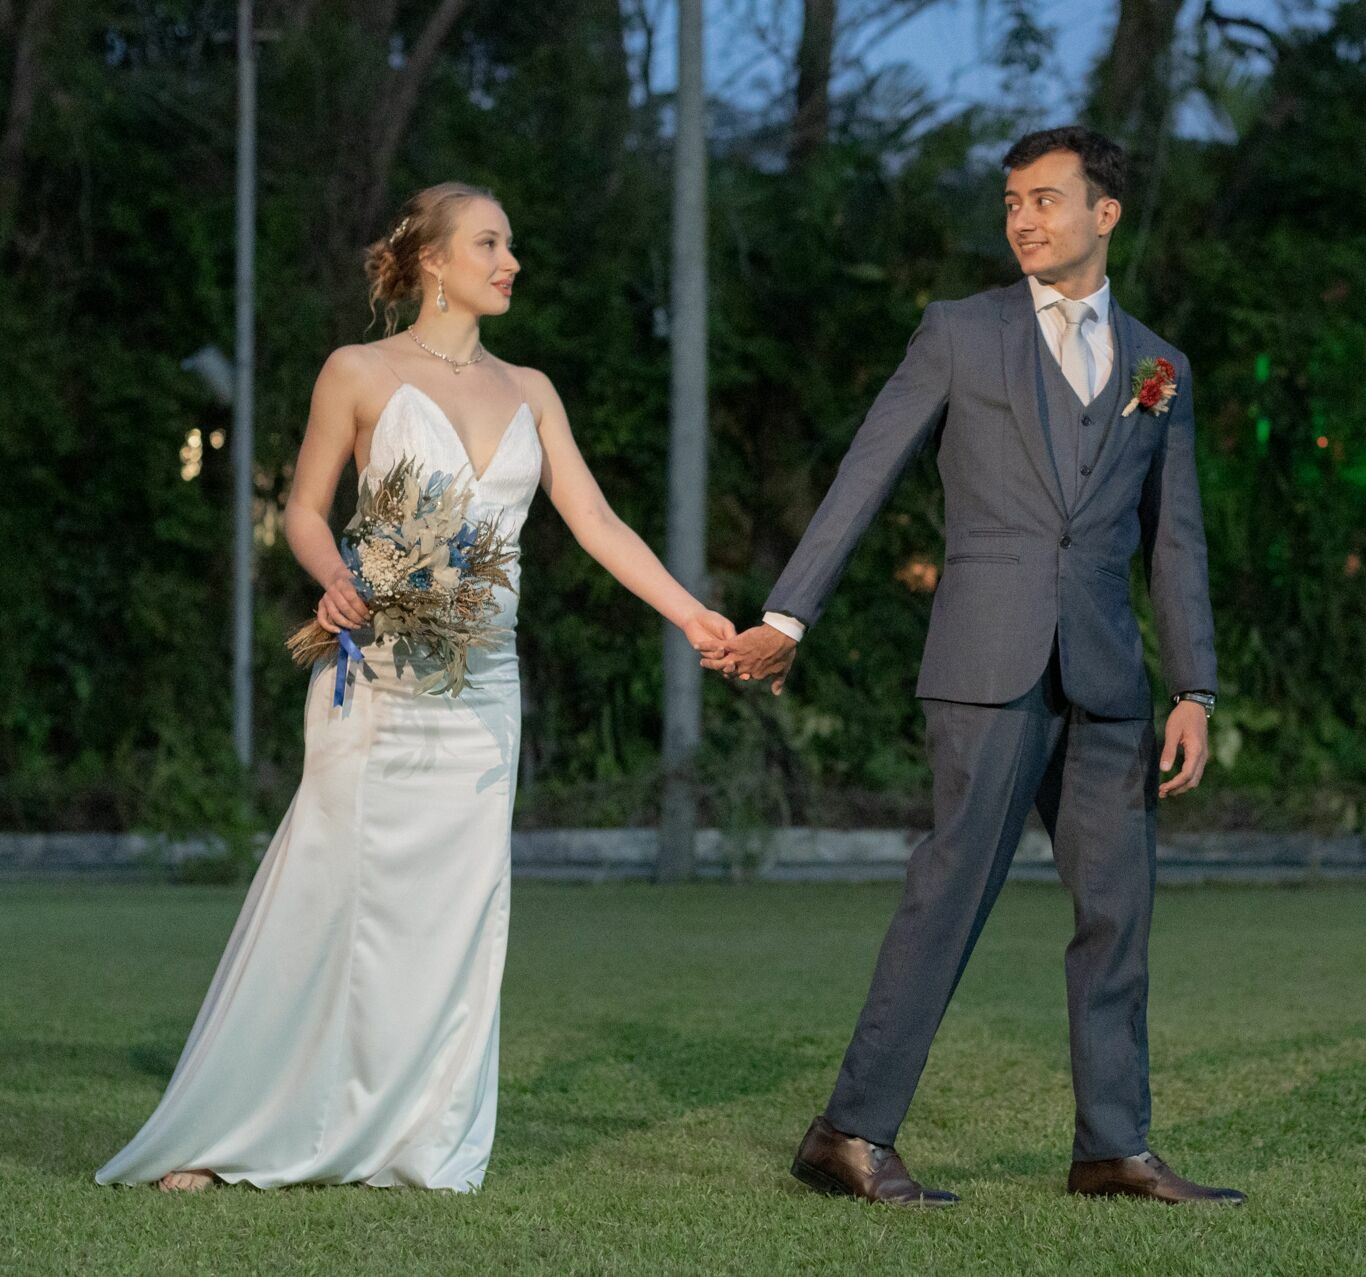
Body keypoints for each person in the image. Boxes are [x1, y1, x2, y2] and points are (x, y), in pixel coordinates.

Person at [96, 181, 733, 1192]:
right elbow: (305, 510)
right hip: (377, 682)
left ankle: (419, 1138)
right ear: (433, 260)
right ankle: (244, 1129)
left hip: (484, 695)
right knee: (332, 895)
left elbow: (598, 523)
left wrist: (689, 612)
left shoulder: (533, 390)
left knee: (455, 913)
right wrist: (336, 577)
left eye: (511, 244)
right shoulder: (357, 371)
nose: (509, 259)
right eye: (490, 242)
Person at [714, 127, 1243, 1207]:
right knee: (948, 894)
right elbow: (870, 468)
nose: (1021, 219)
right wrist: (789, 613)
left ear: (1107, 213)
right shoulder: (959, 332)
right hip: (986, 658)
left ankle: (1113, 1145)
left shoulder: (1159, 368)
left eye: (1045, 200)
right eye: (1010, 202)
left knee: (1119, 912)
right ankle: (850, 1132)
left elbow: (1175, 540)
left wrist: (1195, 686)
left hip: (1107, 678)